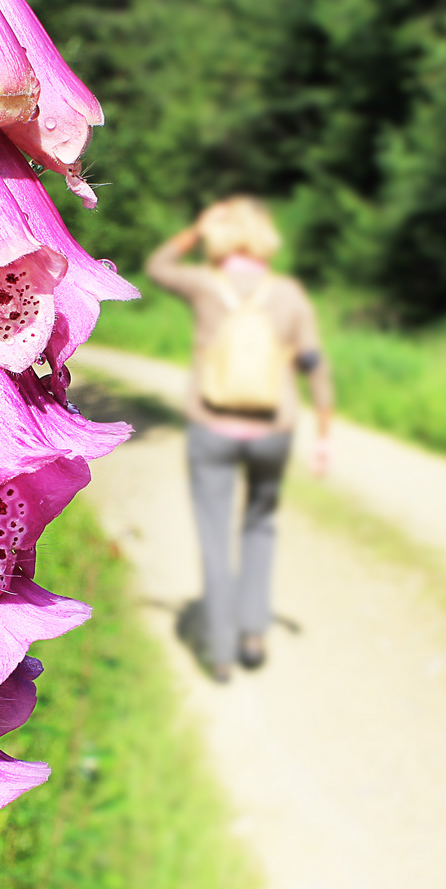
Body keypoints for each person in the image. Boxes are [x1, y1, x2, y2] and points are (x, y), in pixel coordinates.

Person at [146, 197, 334, 683]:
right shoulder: (289, 293)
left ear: (221, 239)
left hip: (212, 427)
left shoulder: (206, 284)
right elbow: (314, 362)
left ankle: (223, 651)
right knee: (260, 527)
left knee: (214, 536)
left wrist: (194, 230)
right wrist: (325, 436)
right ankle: (254, 633)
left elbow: (157, 267)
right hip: (273, 430)